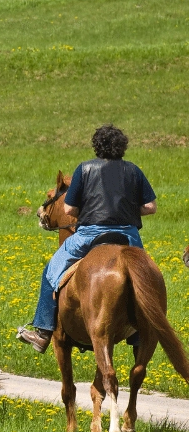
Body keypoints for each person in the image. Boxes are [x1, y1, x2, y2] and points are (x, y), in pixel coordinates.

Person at [17, 124, 157, 353]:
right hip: (127, 237)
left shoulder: (85, 169)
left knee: (51, 271)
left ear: (96, 146)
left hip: (89, 234)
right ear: (123, 147)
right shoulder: (134, 170)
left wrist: (91, 210)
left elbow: (70, 210)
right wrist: (129, 211)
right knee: (146, 279)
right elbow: (150, 207)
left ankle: (42, 332)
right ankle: (142, 332)